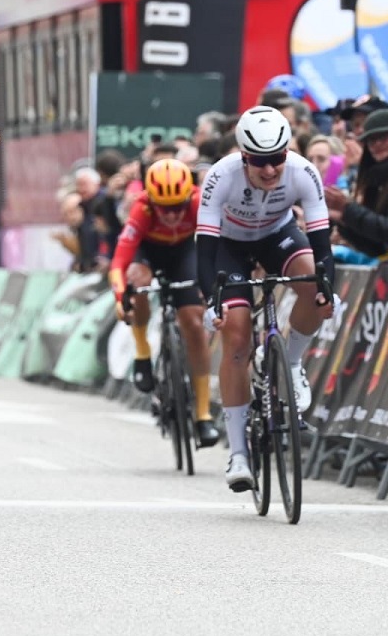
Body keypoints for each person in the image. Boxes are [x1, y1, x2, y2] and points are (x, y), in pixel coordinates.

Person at [196, 106, 335, 492]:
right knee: (237, 339)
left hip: (278, 236)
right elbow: (205, 253)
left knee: (314, 286)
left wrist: (328, 290)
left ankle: (289, 362)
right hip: (229, 247)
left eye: (277, 159)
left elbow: (323, 247)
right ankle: (238, 453)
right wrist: (212, 301)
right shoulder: (220, 176)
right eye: (260, 162)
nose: (271, 170)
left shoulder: (304, 172)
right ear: (244, 156)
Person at [109, 158, 219, 446]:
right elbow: (119, 262)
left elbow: (215, 248)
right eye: (164, 209)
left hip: (184, 252)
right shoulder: (142, 208)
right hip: (148, 251)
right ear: (152, 201)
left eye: (177, 208)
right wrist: (122, 297)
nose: (171, 216)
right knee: (139, 281)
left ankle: (204, 415)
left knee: (194, 324)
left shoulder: (197, 202)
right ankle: (143, 352)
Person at [325, 109, 388, 258]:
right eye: (371, 140)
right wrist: (344, 220)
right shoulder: (372, 180)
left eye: (384, 137)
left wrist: (348, 209)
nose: (377, 144)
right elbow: (378, 250)